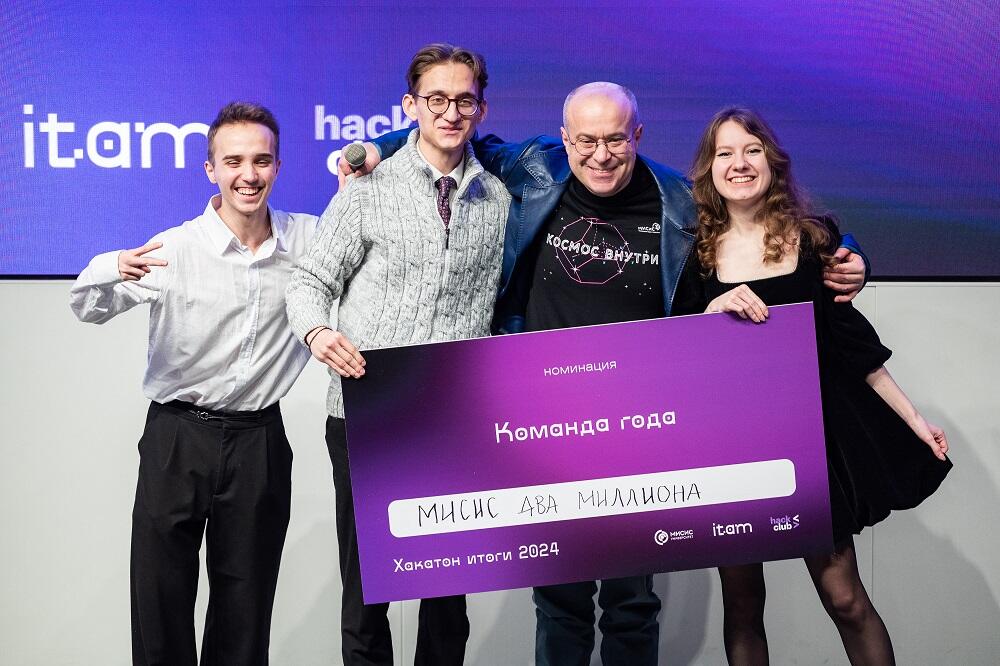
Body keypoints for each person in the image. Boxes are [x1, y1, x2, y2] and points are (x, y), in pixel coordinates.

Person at [359, 82, 870, 665]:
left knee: (631, 603)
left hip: (639, 426)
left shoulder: (679, 201)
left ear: (638, 136)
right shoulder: (533, 169)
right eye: (585, 142)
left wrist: (849, 253)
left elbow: (769, 225)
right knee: (560, 602)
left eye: (615, 141)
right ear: (564, 139)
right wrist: (372, 149)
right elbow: (451, 132)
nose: (600, 155)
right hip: (546, 425)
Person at [685, 107, 952, 666]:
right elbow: (675, 356)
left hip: (807, 448)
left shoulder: (814, 242)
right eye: (725, 153)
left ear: (773, 162)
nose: (739, 163)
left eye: (752, 150)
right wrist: (710, 313)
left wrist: (914, 420)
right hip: (729, 450)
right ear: (709, 169)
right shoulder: (696, 255)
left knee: (845, 598)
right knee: (742, 605)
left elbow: (855, 348)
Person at [285, 43, 510, 666]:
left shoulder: (498, 200)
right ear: (410, 106)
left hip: (452, 421)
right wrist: (316, 333)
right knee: (367, 593)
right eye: (436, 99)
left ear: (481, 109)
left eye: (464, 100)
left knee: (447, 599)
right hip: (367, 413)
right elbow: (309, 280)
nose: (450, 112)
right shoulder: (366, 189)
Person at [70, 102, 317, 665]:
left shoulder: (309, 240)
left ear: (278, 167)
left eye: (261, 161)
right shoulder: (174, 248)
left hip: (259, 441)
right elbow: (87, 307)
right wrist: (110, 266)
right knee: (160, 600)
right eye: (233, 161)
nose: (248, 175)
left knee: (246, 609)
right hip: (177, 438)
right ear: (211, 169)